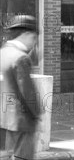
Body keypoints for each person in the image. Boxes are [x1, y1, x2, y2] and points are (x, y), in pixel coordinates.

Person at [0, 15, 41, 160]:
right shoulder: (21, 58)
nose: (34, 43)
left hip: (3, 119)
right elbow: (27, 93)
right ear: (26, 34)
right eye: (34, 38)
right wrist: (37, 115)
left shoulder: (3, 53)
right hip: (21, 121)